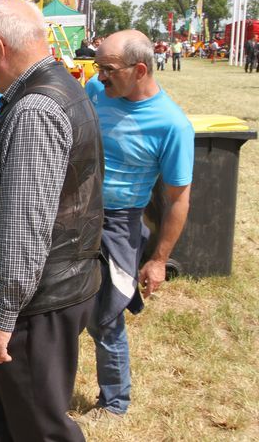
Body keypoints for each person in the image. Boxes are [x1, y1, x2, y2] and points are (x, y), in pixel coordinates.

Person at [0, 0, 104, 441]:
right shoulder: (63, 85)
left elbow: (26, 230)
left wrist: (1, 316)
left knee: (38, 428)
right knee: (7, 422)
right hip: (51, 290)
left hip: (34, 305)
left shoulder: (34, 110)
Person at [80, 30, 193, 423]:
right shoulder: (96, 91)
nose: (99, 76)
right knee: (56, 305)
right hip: (76, 213)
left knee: (106, 316)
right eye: (99, 66)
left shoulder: (173, 126)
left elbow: (178, 199)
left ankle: (114, 402)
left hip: (118, 223)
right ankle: (47, 385)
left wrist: (159, 259)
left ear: (140, 69)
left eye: (108, 68)